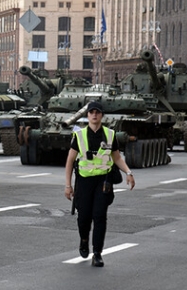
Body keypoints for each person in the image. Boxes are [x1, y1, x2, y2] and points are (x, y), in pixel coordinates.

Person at [64, 101, 135, 267]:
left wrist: (129, 172)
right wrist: (68, 185)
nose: (94, 115)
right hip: (84, 181)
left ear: (102, 115)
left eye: (97, 112)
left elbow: (116, 157)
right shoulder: (79, 135)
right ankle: (83, 240)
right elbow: (69, 161)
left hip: (103, 181)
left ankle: (97, 253)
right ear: (87, 115)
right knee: (84, 218)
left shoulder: (110, 135)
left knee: (99, 216)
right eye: (91, 112)